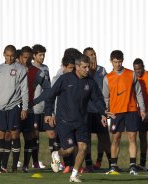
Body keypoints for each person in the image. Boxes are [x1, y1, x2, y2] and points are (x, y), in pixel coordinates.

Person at [44, 54, 108, 182]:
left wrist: (103, 113)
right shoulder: (64, 79)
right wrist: (48, 112)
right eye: (84, 67)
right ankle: (57, 154)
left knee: (83, 148)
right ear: (77, 67)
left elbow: (98, 99)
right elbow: (50, 96)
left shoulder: (90, 82)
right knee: (69, 149)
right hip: (65, 121)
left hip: (82, 121)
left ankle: (74, 175)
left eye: (88, 67)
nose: (87, 70)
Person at [103, 50, 146, 175]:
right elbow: (105, 97)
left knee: (132, 137)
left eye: (119, 61)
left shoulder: (131, 74)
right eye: (115, 62)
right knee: (115, 138)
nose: (117, 64)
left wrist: (142, 109)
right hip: (116, 112)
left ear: (123, 60)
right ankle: (113, 166)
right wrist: (105, 113)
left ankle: (132, 165)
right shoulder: (107, 78)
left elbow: (138, 92)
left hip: (131, 110)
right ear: (111, 61)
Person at [0, 45, 28, 173]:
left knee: (14, 135)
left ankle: (14, 166)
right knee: (0, 135)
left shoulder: (21, 69)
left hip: (14, 107)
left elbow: (24, 90)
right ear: (3, 54)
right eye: (7, 55)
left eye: (12, 55)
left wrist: (25, 108)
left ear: (15, 56)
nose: (10, 58)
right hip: (0, 107)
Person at [18, 46, 51, 172]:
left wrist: (36, 101)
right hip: (13, 109)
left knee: (28, 136)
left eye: (28, 58)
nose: (26, 60)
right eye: (24, 57)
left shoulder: (36, 71)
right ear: (20, 57)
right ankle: (5, 165)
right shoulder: (13, 70)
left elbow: (48, 89)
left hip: (29, 110)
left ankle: (26, 165)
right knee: (11, 136)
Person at [83, 47, 111, 171]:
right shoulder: (84, 71)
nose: (93, 56)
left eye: (94, 54)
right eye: (90, 55)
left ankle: (109, 163)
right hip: (87, 110)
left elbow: (106, 88)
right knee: (87, 137)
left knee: (104, 136)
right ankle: (88, 164)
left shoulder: (102, 70)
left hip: (100, 110)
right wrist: (91, 72)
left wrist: (106, 106)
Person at [31, 44, 52, 168]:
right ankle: (35, 162)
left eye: (44, 54)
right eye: (40, 55)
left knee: (52, 134)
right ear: (34, 56)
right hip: (34, 108)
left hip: (45, 107)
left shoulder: (46, 68)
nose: (43, 57)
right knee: (35, 135)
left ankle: (55, 161)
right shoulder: (30, 68)